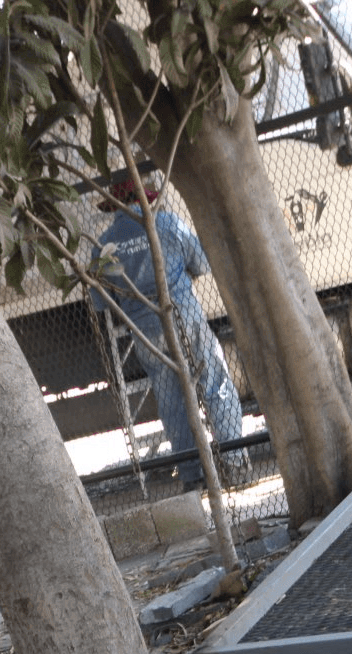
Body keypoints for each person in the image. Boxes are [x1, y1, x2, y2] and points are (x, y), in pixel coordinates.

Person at [90, 176, 245, 482]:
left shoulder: (102, 247)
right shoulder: (168, 223)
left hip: (145, 330)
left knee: (172, 401)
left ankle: (192, 474)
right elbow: (201, 264)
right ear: (143, 197)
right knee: (214, 382)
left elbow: (101, 301)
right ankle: (234, 460)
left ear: (114, 205)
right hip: (184, 316)